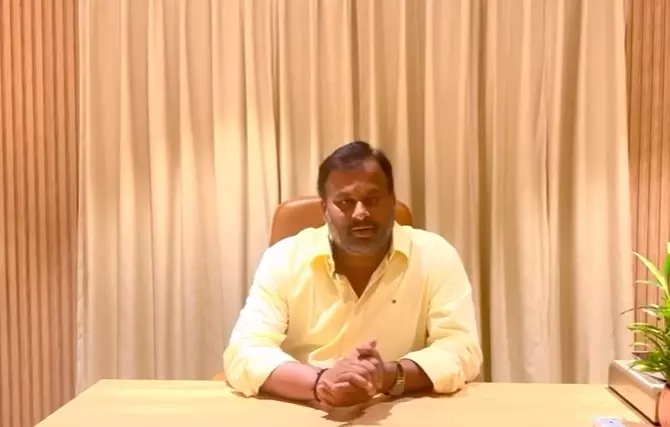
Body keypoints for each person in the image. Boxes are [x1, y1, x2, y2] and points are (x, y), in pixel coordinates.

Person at [223, 141, 482, 410]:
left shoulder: (435, 255)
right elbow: (245, 349)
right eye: (345, 202)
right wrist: (321, 382)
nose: (361, 213)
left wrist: (387, 376)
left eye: (373, 199)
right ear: (325, 209)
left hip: (401, 408)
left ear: (392, 201)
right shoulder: (284, 258)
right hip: (304, 406)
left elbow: (460, 346)